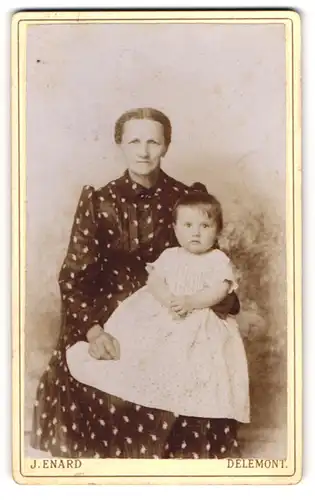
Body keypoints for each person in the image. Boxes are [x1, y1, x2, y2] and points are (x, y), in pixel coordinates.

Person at [31, 107, 241, 459]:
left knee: (188, 369)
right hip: (107, 310)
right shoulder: (99, 201)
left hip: (172, 307)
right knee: (104, 375)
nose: (143, 151)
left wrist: (204, 301)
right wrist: (94, 331)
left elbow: (208, 264)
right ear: (120, 145)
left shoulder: (186, 198)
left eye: (153, 142)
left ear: (166, 146)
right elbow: (74, 277)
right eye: (134, 141)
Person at [66, 188, 250, 428]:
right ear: (175, 228)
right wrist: (168, 299)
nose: (196, 232)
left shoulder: (217, 260)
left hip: (199, 316)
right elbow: (154, 281)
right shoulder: (170, 255)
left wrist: (191, 302)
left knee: (196, 361)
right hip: (166, 310)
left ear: (217, 231)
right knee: (143, 349)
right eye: (188, 225)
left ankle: (188, 408)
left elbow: (220, 290)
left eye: (205, 226)